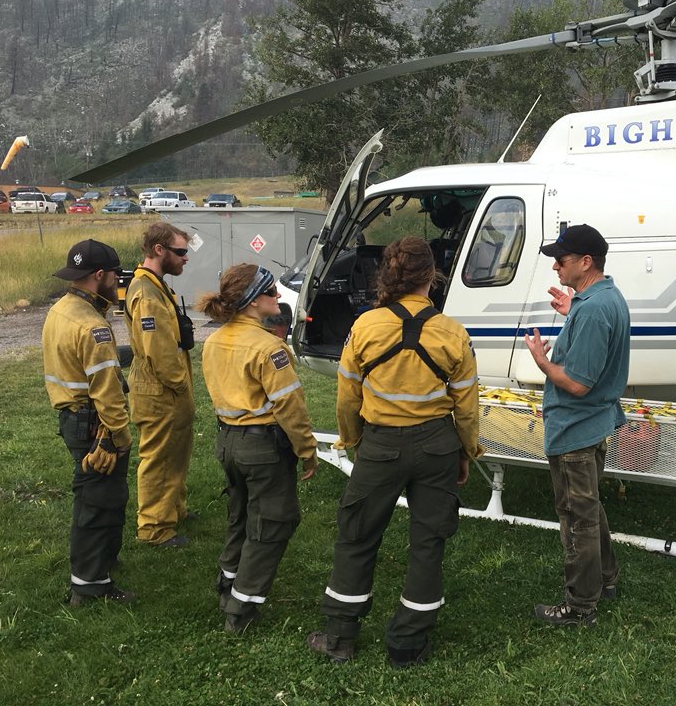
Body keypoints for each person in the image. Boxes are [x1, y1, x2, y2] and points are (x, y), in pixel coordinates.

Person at [307, 236, 480, 667]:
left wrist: (352, 440)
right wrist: (466, 451)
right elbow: (466, 406)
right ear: (431, 277)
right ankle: (408, 644)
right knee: (428, 542)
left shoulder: (364, 326)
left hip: (380, 446)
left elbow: (347, 397)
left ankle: (339, 636)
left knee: (357, 535)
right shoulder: (453, 332)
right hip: (438, 447)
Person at [198, 264, 319, 633]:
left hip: (228, 441)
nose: (278, 296)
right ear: (253, 301)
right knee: (274, 521)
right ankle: (241, 608)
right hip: (263, 447)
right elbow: (290, 408)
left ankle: (227, 583)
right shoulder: (269, 348)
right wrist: (307, 451)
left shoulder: (214, 341)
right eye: (270, 292)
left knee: (241, 514)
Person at [524, 224, 630, 626]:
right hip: (592, 425)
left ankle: (580, 606)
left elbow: (578, 384)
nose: (555, 266)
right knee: (589, 509)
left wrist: (541, 362)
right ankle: (606, 578)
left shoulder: (594, 309)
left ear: (586, 262)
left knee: (576, 518)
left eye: (561, 260)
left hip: (575, 430)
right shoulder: (603, 298)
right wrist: (574, 312)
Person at [42, 239, 135, 605]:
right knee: (99, 502)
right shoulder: (93, 326)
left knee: (98, 496)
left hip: (73, 417)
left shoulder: (61, 309)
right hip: (94, 424)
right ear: (99, 275)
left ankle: (102, 562)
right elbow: (107, 391)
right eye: (114, 275)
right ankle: (90, 585)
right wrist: (118, 438)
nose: (117, 282)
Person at [125, 222, 195, 547]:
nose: (185, 258)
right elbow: (160, 352)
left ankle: (174, 511)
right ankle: (154, 528)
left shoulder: (156, 286)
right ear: (159, 250)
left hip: (168, 389)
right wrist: (180, 385)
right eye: (180, 252)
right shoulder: (147, 294)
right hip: (159, 392)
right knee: (159, 458)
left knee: (175, 452)